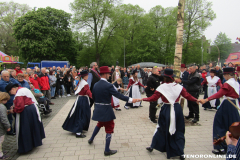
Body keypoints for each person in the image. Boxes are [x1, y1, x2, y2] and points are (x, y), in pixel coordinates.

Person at [142, 69, 198, 160]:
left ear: (164, 77)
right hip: (177, 109)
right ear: (172, 77)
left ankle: (154, 145)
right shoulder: (179, 87)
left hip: (166, 109)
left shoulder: (162, 87)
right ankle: (180, 152)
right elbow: (187, 95)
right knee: (179, 129)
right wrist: (197, 100)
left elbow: (153, 98)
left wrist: (141, 99)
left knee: (161, 128)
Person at [87, 66, 139, 156]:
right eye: (108, 73)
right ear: (105, 74)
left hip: (98, 108)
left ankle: (91, 139)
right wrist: (131, 100)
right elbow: (119, 95)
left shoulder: (95, 85)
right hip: (106, 109)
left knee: (100, 123)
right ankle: (107, 150)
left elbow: (93, 97)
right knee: (109, 127)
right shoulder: (109, 85)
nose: (109, 75)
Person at [198, 67, 240, 155]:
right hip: (234, 105)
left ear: (227, 75)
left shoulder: (228, 84)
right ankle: (234, 145)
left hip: (227, 104)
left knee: (219, 124)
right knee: (233, 124)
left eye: (224, 75)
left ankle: (220, 147)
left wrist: (206, 100)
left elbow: (219, 94)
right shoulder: (236, 83)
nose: (224, 77)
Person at [5, 83, 45, 153]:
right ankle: (34, 142)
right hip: (32, 109)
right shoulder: (24, 89)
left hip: (26, 112)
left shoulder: (19, 93)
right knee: (32, 127)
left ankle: (26, 146)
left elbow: (20, 107)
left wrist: (13, 110)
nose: (11, 94)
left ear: (13, 89)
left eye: (10, 92)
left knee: (25, 128)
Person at [62, 71, 92, 138]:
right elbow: (88, 92)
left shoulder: (81, 81)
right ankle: (78, 132)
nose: (88, 76)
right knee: (82, 115)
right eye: (87, 75)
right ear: (85, 76)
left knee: (78, 114)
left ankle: (78, 128)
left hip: (80, 99)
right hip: (83, 100)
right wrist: (94, 97)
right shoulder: (85, 83)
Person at [0, 71, 20, 135]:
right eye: (4, 76)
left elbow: (18, 84)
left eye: (7, 76)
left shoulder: (11, 80)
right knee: (8, 116)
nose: (6, 78)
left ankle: (15, 129)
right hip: (6, 102)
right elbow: (6, 88)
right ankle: (9, 130)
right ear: (1, 77)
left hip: (13, 100)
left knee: (15, 116)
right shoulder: (1, 83)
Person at [0, 92, 11, 159]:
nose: (6, 101)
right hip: (0, 128)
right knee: (0, 140)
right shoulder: (1, 107)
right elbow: (3, 118)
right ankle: (0, 155)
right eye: (6, 100)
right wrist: (8, 126)